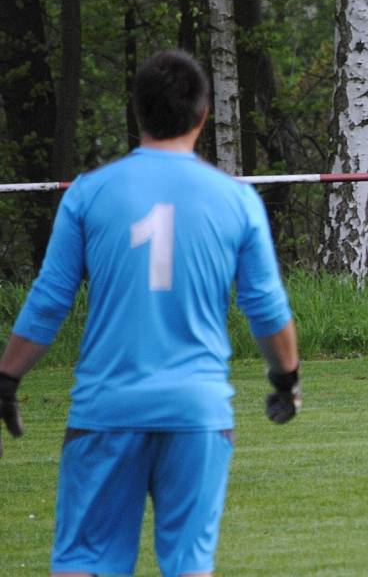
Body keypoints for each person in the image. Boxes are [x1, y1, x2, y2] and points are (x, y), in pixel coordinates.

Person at [0, 49, 301, 577]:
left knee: (83, 561)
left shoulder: (89, 193)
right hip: (197, 411)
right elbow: (266, 308)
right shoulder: (236, 200)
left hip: (106, 407)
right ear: (203, 115)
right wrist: (286, 377)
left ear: (137, 111)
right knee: (188, 564)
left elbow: (49, 299)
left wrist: (7, 379)